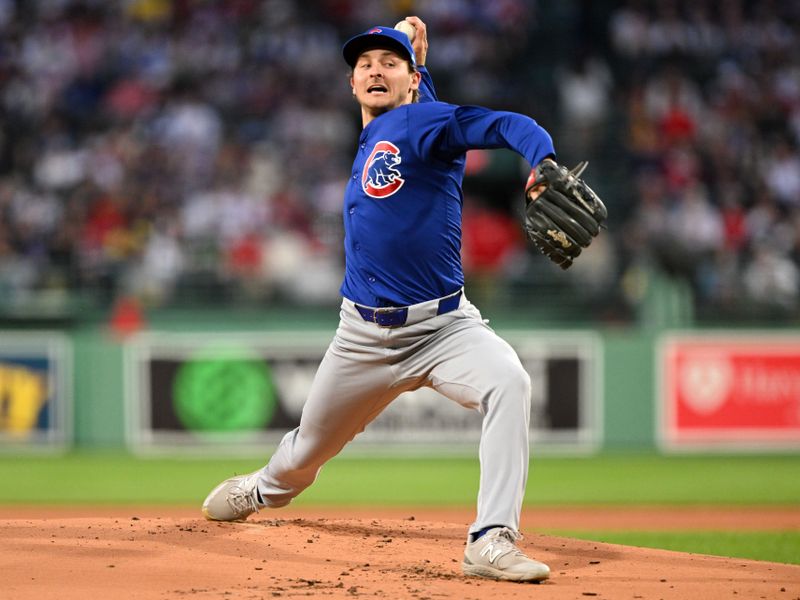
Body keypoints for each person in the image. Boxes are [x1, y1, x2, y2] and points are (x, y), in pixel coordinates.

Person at [202, 16, 553, 583]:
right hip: (361, 336)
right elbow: (415, 113)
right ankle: (264, 489)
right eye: (364, 64)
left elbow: (510, 123)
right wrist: (411, 57)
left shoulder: (423, 122)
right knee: (304, 454)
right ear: (351, 85)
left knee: (509, 381)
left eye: (388, 64)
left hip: (444, 329)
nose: (374, 71)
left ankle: (492, 539)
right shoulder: (382, 130)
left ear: (411, 82)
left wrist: (542, 160)